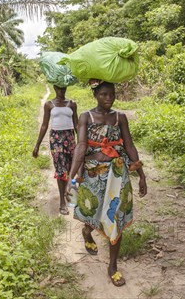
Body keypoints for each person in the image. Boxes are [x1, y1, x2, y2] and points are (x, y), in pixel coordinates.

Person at [65, 79, 147, 287]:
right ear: (95, 95)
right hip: (93, 174)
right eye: (103, 94)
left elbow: (129, 145)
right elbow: (81, 147)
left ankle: (112, 266)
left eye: (111, 94)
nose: (108, 98)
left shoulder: (120, 118)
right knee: (93, 211)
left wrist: (142, 175)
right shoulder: (86, 117)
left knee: (116, 219)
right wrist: (72, 178)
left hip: (118, 174)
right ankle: (87, 231)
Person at [33, 85, 79, 215]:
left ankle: (71, 198)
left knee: (72, 169)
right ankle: (62, 203)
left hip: (70, 137)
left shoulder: (72, 104)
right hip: (56, 139)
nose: (61, 91)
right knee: (60, 170)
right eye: (58, 88)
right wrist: (37, 145)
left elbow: (76, 124)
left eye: (63, 88)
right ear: (54, 87)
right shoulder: (49, 104)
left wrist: (81, 142)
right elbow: (44, 125)